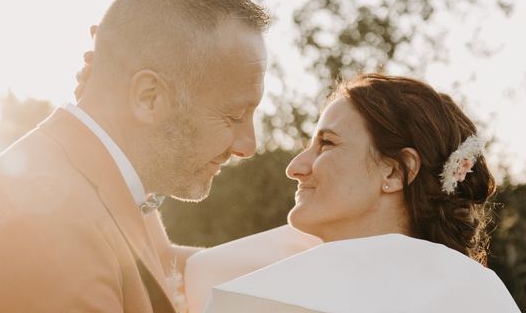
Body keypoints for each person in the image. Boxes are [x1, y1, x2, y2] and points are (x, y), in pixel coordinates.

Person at [0, 0, 270, 313]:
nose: (247, 146)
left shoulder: (102, 180)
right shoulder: (48, 225)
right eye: (234, 117)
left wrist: (313, 264)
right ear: (149, 97)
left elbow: (162, 264)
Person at [190, 74, 519, 312]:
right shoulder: (482, 294)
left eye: (327, 144)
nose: (295, 167)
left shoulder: (290, 295)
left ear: (394, 171)